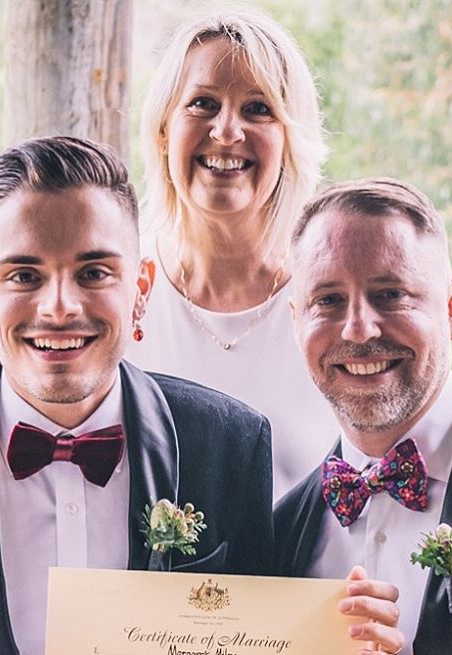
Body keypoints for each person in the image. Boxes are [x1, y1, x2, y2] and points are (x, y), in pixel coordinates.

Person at [0, 138, 403, 655]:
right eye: (24, 276)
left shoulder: (231, 444)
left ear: (141, 287)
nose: (59, 307)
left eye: (93, 272)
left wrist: (347, 638)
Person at [274, 177, 452, 654]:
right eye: (328, 301)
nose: (358, 330)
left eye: (390, 294)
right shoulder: (277, 533)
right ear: (297, 321)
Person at [126, 10, 340, 500]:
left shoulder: (335, 300)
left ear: (290, 139)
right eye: (202, 103)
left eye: (258, 109)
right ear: (163, 130)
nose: (226, 131)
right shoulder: (113, 288)